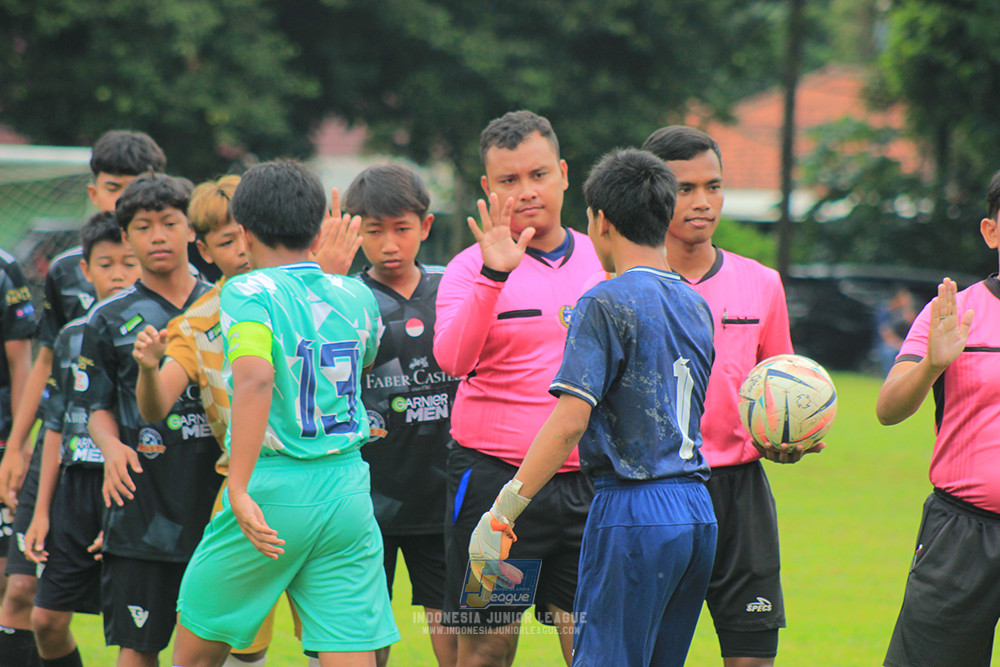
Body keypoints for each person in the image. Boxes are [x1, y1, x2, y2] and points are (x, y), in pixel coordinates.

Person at [468, 147, 717, 666]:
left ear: (601, 222)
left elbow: (568, 422)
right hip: (697, 511)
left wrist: (502, 511)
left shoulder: (604, 300)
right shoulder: (696, 302)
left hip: (633, 509)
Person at [172, 160, 399, 667]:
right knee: (348, 654)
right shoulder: (358, 294)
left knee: (193, 653)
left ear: (245, 234)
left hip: (274, 489)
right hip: (347, 489)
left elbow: (254, 378)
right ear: (317, 227)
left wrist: (237, 486)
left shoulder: (246, 291)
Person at [641, 125, 816, 667]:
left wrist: (788, 436)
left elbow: (782, 387)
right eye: (684, 188)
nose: (702, 202)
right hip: (654, 489)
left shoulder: (762, 283)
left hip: (740, 493)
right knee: (645, 653)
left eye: (713, 187)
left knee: (752, 655)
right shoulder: (624, 286)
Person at [433, 110, 603, 666]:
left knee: (591, 644)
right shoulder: (467, 267)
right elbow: (453, 361)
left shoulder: (607, 261)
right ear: (488, 188)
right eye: (509, 181)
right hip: (496, 488)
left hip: (591, 489)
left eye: (537, 175)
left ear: (563, 173)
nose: (526, 192)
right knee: (487, 648)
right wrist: (494, 276)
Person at [0, 129, 166, 667]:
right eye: (114, 188)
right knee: (23, 591)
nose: (125, 201)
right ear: (93, 193)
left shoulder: (173, 276)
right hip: (63, 441)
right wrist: (15, 446)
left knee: (146, 621)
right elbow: (44, 359)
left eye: (137, 189)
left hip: (132, 462)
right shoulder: (69, 268)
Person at [77, 173, 221, 667]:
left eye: (169, 223)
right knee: (139, 647)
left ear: (190, 231)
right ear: (127, 236)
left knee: (216, 647)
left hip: (220, 501)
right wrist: (112, 447)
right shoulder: (108, 317)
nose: (157, 235)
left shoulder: (225, 302)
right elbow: (95, 408)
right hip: (143, 509)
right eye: (143, 226)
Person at [876, 170, 1000, 667]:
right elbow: (888, 409)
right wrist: (932, 364)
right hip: (960, 534)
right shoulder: (953, 314)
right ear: (992, 232)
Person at [343, 164, 459, 667]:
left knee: (453, 630)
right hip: (367, 497)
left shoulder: (454, 286)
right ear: (355, 231)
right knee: (366, 631)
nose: (389, 243)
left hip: (445, 495)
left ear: (425, 226)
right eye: (374, 230)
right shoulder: (342, 298)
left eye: (401, 228)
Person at [22, 212, 141, 667]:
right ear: (86, 271)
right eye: (106, 264)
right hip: (75, 491)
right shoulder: (72, 336)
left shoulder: (156, 333)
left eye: (128, 263)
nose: (118, 274)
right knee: (47, 621)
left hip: (130, 488)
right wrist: (40, 513)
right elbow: (56, 425)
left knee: (138, 634)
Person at [0, 248, 37, 667]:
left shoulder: (5, 269)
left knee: (14, 584)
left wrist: (19, 444)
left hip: (2, 442)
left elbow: (21, 362)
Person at [873, 287, 916, 377]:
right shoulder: (885, 312)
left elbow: (913, 325)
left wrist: (907, 308)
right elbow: (885, 334)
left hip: (902, 342)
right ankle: (889, 377)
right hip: (887, 343)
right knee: (888, 352)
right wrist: (899, 344)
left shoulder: (903, 312)